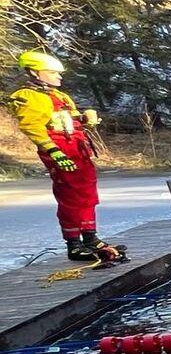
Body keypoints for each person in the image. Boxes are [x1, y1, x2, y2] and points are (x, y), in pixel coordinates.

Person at [8, 51, 127, 264]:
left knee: (87, 194)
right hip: (59, 149)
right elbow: (32, 127)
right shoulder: (30, 97)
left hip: (78, 149)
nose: (59, 77)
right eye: (53, 73)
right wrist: (53, 151)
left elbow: (69, 120)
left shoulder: (60, 96)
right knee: (70, 197)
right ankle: (74, 243)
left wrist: (85, 119)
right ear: (36, 72)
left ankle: (90, 238)